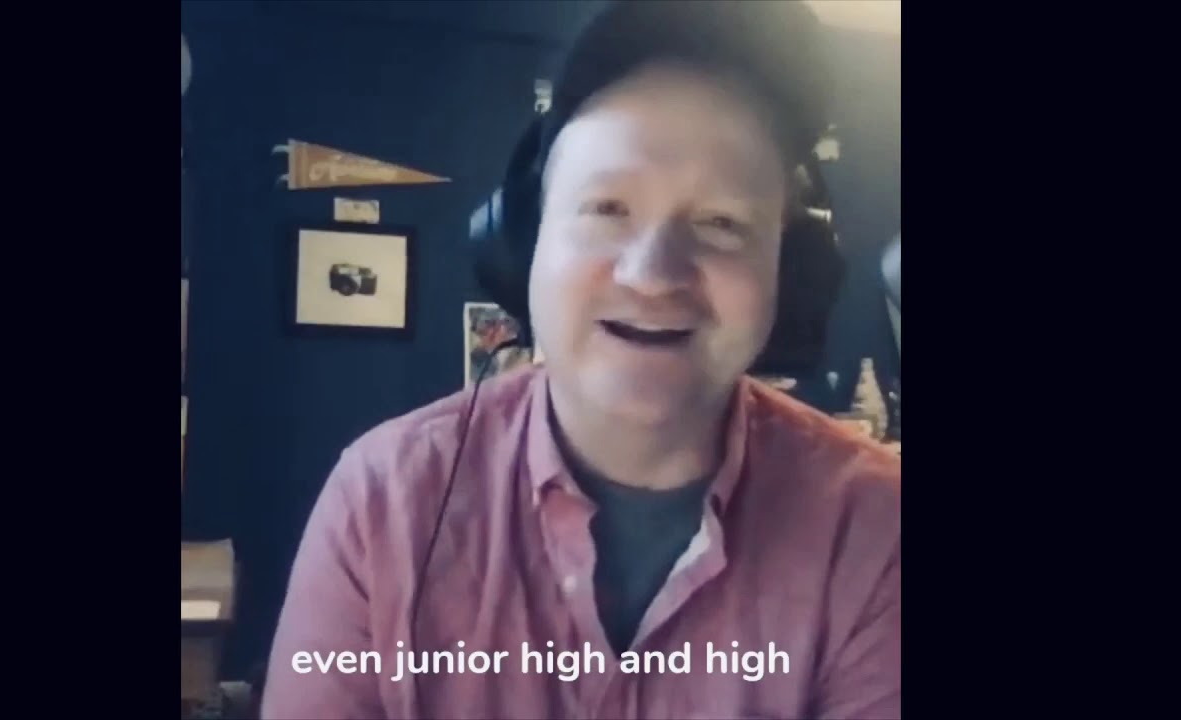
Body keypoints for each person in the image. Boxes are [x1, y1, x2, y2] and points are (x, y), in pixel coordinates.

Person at [262, 2, 899, 718]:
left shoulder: (878, 527)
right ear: (523, 243)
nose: (653, 274)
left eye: (722, 223)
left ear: (792, 272)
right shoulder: (380, 505)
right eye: (607, 209)